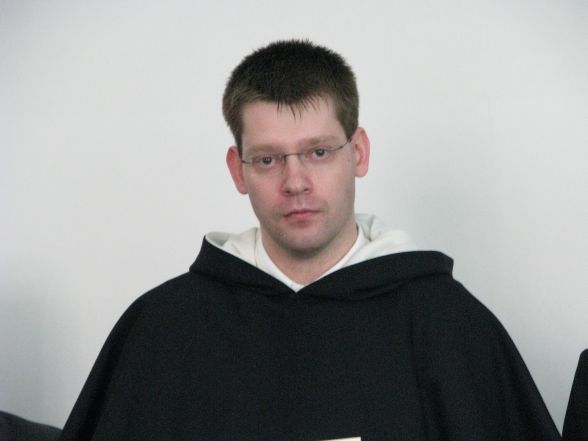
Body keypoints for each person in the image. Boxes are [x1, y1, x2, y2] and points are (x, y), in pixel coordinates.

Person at [59, 40, 560, 441]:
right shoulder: (163, 330)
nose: (295, 182)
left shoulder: (447, 324)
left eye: (318, 152)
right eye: (268, 159)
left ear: (358, 153)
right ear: (238, 170)